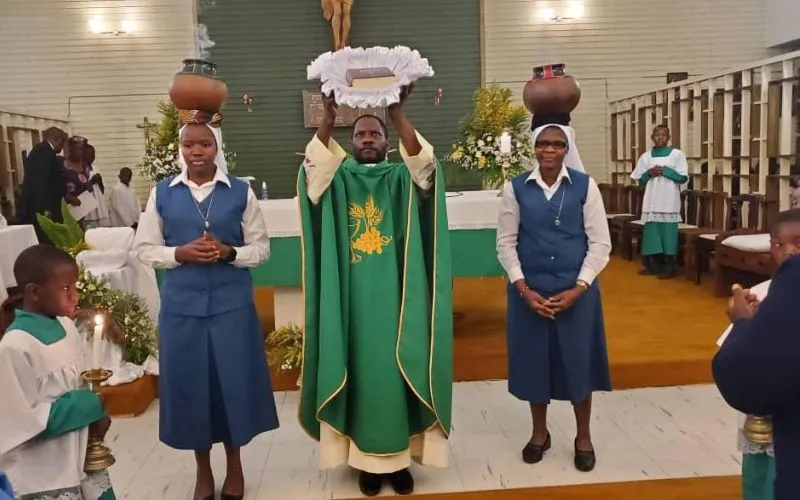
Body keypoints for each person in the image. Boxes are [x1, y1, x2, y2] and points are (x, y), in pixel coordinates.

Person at [297, 85, 452, 497]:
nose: (368, 139)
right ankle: (365, 461)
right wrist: (327, 120)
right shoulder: (338, 177)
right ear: (351, 143)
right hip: (352, 299)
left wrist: (399, 115)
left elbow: (427, 170)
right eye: (361, 135)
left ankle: (400, 462)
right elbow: (313, 180)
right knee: (361, 370)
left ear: (386, 142)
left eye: (376, 134)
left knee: (397, 369)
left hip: (400, 295)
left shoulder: (402, 176)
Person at [134, 109, 278, 500]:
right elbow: (144, 248)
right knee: (192, 389)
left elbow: (261, 249)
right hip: (182, 310)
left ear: (217, 147)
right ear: (180, 149)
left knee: (231, 385)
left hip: (231, 307)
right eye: (188, 144)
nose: (196, 151)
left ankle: (235, 467)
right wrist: (179, 252)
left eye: (204, 143)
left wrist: (230, 252)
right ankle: (202, 471)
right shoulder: (163, 192)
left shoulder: (240, 192)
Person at [496, 124, 612, 471]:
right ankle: (539, 433)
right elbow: (505, 242)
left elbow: (600, 243)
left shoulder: (584, 186)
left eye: (557, 144)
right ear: (534, 148)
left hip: (577, 291)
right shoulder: (515, 188)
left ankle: (583, 436)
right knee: (535, 362)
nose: (549, 150)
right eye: (543, 144)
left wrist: (579, 287)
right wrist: (523, 290)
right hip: (528, 292)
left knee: (580, 361)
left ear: (566, 148)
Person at [0, 245, 115, 500]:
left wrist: (97, 414)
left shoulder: (66, 327)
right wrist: (88, 404)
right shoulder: (16, 345)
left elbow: (81, 379)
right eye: (66, 288)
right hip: (41, 470)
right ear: (34, 292)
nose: (75, 296)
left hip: (78, 453)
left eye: (75, 286)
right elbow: (20, 419)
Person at [713, 208, 800, 500]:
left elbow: (743, 371)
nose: (789, 251)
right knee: (759, 480)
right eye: (780, 243)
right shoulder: (763, 291)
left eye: (799, 242)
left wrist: (743, 324)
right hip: (766, 428)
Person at [630, 125, 689, 279]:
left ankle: (670, 267)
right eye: (657, 135)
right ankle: (654, 265)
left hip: (669, 201)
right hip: (652, 201)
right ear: (652, 137)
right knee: (653, 234)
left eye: (664, 135)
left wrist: (666, 171)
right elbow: (640, 181)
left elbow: (683, 178)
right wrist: (649, 173)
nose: (660, 137)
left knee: (668, 234)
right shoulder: (646, 156)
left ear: (668, 137)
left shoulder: (677, 155)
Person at [18, 127, 67, 243]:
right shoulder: (44, 152)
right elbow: (40, 182)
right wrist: (45, 209)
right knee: (46, 241)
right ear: (57, 139)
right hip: (43, 209)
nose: (63, 146)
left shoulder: (42, 151)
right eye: (63, 141)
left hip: (44, 206)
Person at [83, 144, 111, 228]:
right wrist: (91, 181)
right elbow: (81, 190)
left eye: (93, 154)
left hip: (99, 206)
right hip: (88, 210)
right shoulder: (80, 169)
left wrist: (100, 181)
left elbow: (102, 191)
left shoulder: (96, 168)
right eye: (88, 154)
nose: (91, 156)